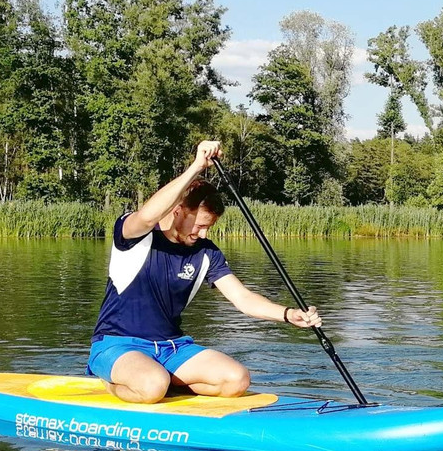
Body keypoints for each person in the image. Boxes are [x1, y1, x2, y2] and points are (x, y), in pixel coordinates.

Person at [88, 140, 322, 403]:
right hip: (118, 345)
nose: (203, 234)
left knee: (236, 380)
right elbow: (146, 215)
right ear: (178, 211)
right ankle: (116, 383)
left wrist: (289, 315)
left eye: (209, 227)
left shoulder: (206, 252)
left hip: (173, 348)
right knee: (153, 385)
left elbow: (242, 298)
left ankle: (162, 383)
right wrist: (197, 167)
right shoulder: (135, 236)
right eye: (199, 225)